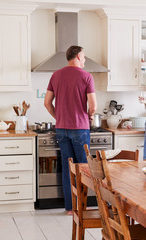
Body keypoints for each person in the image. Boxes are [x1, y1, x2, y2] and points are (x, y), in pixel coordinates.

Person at [44, 45, 97, 215]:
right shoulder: (86, 76)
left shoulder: (55, 75)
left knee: (68, 168)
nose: (85, 60)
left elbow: (46, 103)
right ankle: (81, 207)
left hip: (62, 128)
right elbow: (93, 106)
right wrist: (88, 116)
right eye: (84, 57)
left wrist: (58, 117)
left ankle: (70, 208)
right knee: (83, 168)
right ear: (79, 56)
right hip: (80, 128)